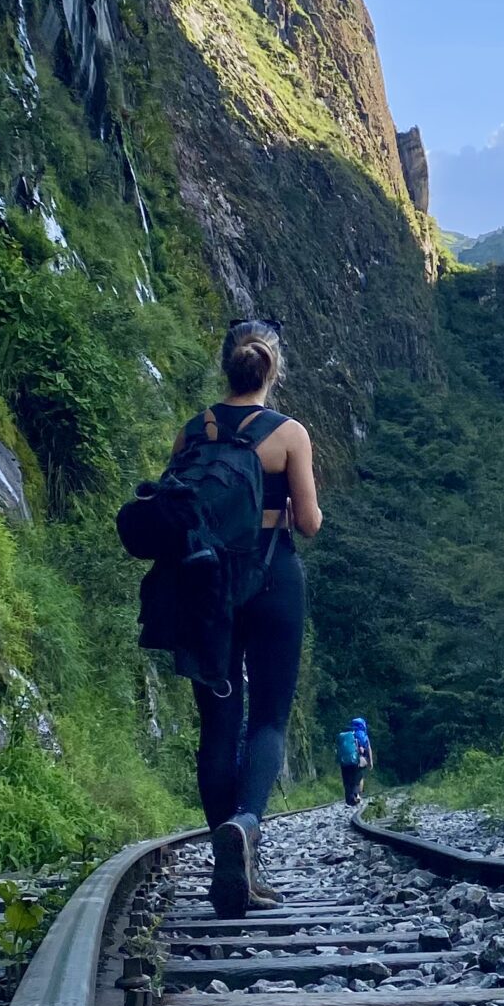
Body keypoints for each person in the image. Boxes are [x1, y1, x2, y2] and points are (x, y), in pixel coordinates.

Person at [193, 317, 322, 916]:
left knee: (218, 724)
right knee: (268, 717)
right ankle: (246, 827)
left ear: (228, 365)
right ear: (273, 370)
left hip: (207, 584)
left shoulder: (195, 431)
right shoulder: (289, 434)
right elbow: (311, 522)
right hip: (273, 577)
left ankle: (228, 850)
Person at [337, 717, 372, 810]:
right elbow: (367, 749)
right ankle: (355, 797)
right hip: (355, 760)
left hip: (344, 761)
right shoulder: (361, 735)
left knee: (346, 780)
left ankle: (348, 801)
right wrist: (370, 762)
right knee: (356, 779)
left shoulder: (346, 735)